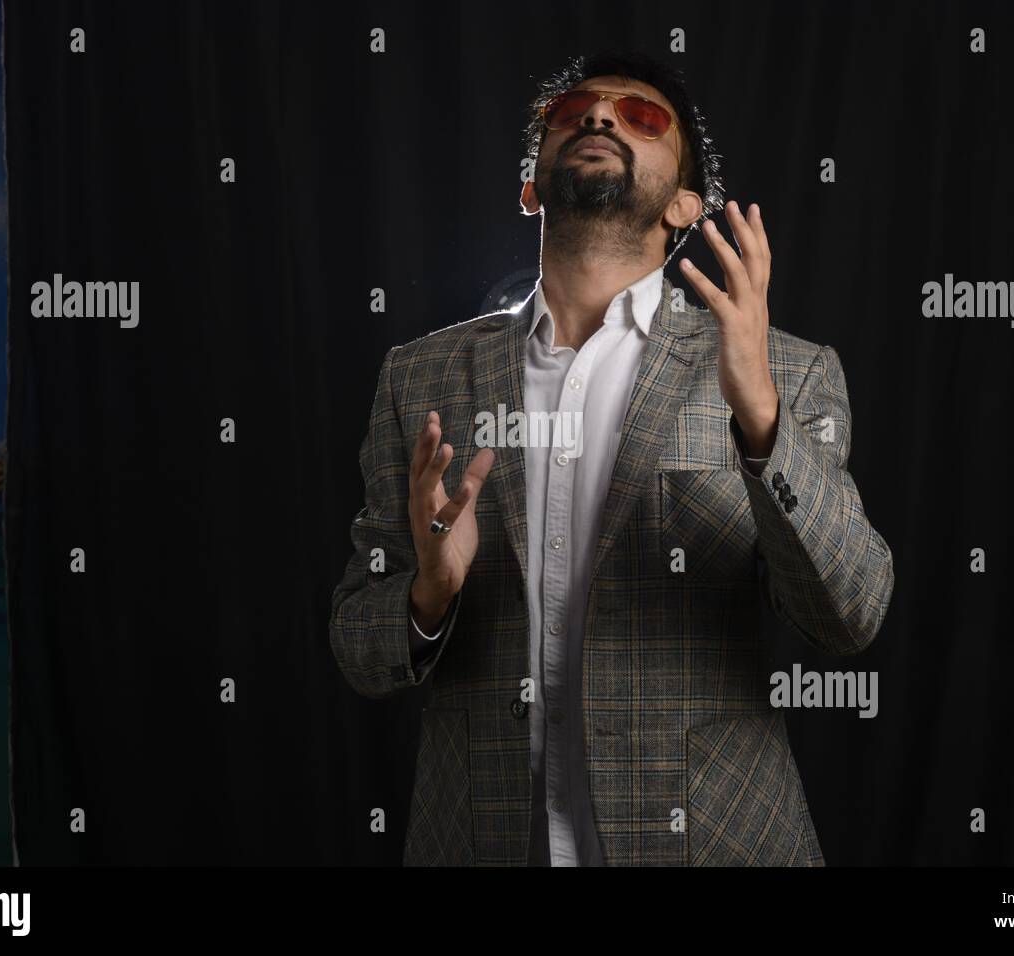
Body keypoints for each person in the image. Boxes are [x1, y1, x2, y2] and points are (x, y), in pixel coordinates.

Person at [329, 50, 894, 866]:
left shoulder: (787, 372)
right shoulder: (417, 378)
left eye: (641, 117)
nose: (598, 118)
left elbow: (850, 617)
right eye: (575, 112)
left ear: (685, 206)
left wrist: (762, 420)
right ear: (530, 187)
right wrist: (430, 591)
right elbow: (358, 645)